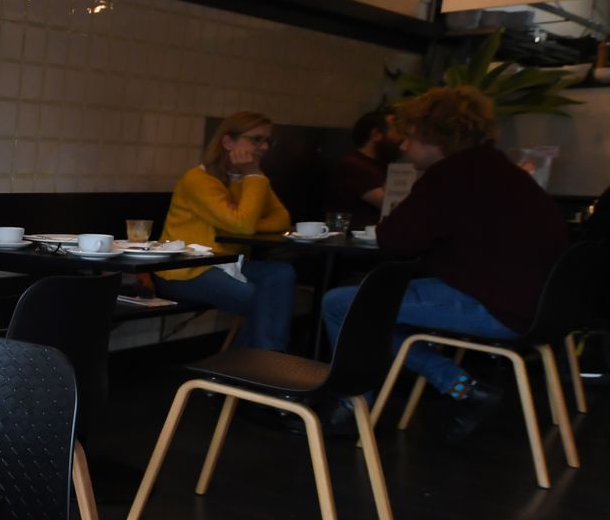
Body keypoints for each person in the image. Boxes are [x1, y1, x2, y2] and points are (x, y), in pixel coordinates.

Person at [321, 86, 569, 438]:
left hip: (496, 305)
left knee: (343, 305)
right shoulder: (502, 170)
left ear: (435, 137)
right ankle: (463, 388)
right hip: (541, 307)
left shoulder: (449, 176)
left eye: (409, 138)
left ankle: (352, 405)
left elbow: (395, 240)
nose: (404, 146)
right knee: (376, 311)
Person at [152, 111, 296, 352]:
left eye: (267, 141)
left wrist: (246, 219)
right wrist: (251, 178)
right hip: (183, 270)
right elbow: (242, 225)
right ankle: (262, 364)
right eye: (256, 139)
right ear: (228, 142)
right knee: (259, 298)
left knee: (281, 274)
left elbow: (282, 219)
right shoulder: (199, 180)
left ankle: (247, 365)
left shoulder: (249, 179)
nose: (263, 147)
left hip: (228, 263)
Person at [325, 110, 397, 230]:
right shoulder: (353, 165)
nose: (402, 137)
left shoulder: (380, 165)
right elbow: (391, 205)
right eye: (396, 130)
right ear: (376, 134)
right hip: (353, 241)